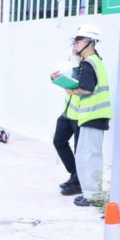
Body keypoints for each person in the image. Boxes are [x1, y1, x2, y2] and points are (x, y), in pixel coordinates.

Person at [65, 24, 112, 207]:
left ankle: (93, 195)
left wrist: (72, 90)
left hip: (94, 115)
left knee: (90, 156)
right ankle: (90, 193)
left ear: (90, 42)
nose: (75, 44)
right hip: (92, 116)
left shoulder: (90, 62)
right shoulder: (93, 61)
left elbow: (86, 87)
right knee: (86, 155)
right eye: (74, 40)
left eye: (78, 40)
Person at [52, 64, 82, 196]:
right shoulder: (74, 64)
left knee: (79, 150)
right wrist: (54, 78)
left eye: (76, 43)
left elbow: (88, 89)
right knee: (59, 141)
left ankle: (77, 182)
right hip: (67, 112)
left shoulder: (90, 66)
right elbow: (66, 78)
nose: (74, 46)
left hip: (81, 115)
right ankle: (75, 174)